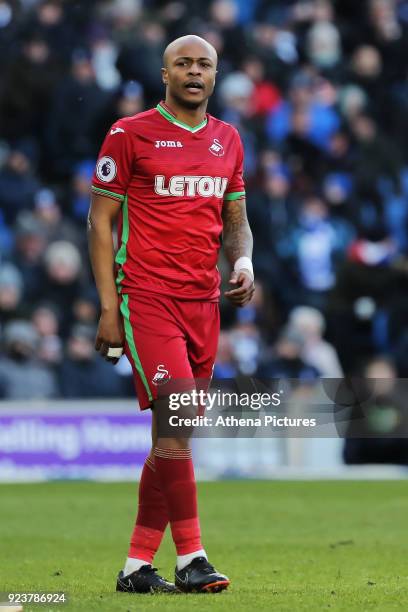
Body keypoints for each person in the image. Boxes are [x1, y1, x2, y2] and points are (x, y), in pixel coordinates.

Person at [88, 35, 254, 594]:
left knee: (170, 438)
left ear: (215, 75)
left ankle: (136, 567)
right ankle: (192, 558)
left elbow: (236, 219)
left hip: (203, 303)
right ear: (165, 73)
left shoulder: (228, 140)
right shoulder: (128, 133)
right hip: (147, 297)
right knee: (177, 434)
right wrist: (110, 307)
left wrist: (245, 262)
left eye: (203, 64)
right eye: (183, 63)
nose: (193, 71)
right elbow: (100, 222)